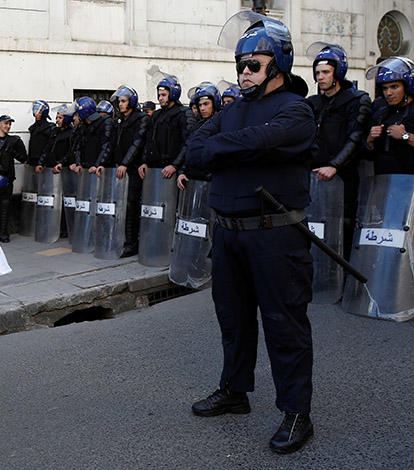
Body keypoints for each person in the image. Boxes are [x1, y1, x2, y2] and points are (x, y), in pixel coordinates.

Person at [187, 11, 317, 454]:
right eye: (241, 65)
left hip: (275, 237)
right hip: (228, 234)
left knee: (284, 325)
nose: (244, 73)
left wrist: (231, 149)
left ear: (278, 64)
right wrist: (242, 148)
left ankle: (297, 412)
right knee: (234, 320)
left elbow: (254, 143)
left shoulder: (296, 110)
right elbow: (195, 152)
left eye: (254, 65)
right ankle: (234, 391)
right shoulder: (233, 110)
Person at [306, 43, 372, 258]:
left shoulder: (357, 100)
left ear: (338, 71)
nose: (320, 77)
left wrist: (334, 165)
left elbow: (355, 137)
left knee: (343, 228)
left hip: (343, 177)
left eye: (325, 72)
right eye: (317, 73)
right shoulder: (312, 103)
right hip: (314, 176)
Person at [94, 85, 150, 257]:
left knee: (132, 205)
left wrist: (125, 163)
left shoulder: (141, 118)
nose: (120, 104)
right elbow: (111, 144)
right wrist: (102, 163)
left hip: (133, 169)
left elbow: (138, 142)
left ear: (132, 102)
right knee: (122, 205)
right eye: (119, 101)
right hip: (120, 168)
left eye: (123, 101)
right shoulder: (120, 120)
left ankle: (132, 243)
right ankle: (122, 238)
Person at [364, 56, 414, 175]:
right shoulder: (380, 111)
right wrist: (370, 140)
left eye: (394, 87)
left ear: (407, 87)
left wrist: (405, 136)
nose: (389, 93)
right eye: (385, 88)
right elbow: (366, 155)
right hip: (384, 183)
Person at [140, 74, 188, 181]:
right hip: (154, 170)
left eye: (163, 95)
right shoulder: (156, 115)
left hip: (172, 172)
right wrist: (145, 162)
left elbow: (186, 143)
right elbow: (149, 141)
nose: (160, 98)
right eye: (159, 95)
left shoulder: (182, 114)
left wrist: (175, 165)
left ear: (173, 94)